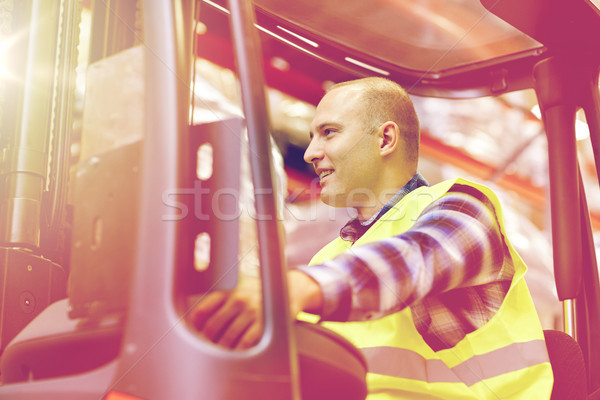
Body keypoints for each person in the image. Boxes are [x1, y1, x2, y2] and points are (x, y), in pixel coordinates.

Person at [191, 77, 553, 399]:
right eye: (313, 135)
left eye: (329, 132)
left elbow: (417, 260)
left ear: (385, 139)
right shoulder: (329, 258)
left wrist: (296, 288)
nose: (310, 152)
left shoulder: (464, 206)